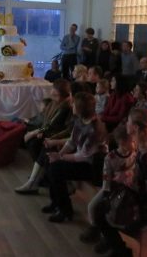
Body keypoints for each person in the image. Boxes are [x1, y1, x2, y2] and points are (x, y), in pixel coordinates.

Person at [94, 108, 147, 256]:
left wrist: (129, 182)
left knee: (102, 212)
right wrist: (128, 177)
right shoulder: (143, 148)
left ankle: (121, 251)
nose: (126, 123)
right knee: (105, 205)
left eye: (128, 121)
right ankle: (115, 245)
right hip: (145, 204)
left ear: (134, 127)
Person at [42, 92, 107, 223]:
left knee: (56, 169)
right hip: (83, 160)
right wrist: (59, 155)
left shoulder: (94, 129)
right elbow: (72, 142)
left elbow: (83, 156)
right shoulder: (80, 120)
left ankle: (65, 211)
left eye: (74, 104)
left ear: (80, 108)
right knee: (49, 161)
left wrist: (60, 157)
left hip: (93, 166)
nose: (72, 105)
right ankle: (56, 203)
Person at [79, 124, 137, 244]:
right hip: (112, 188)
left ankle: (109, 237)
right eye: (132, 141)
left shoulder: (134, 155)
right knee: (92, 207)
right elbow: (106, 177)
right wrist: (108, 190)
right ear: (122, 142)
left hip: (127, 190)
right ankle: (95, 229)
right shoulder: (110, 158)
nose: (134, 143)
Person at [15, 79, 73, 194]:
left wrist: (36, 132)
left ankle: (33, 182)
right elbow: (46, 120)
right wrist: (38, 130)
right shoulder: (57, 102)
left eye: (56, 95)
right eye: (53, 93)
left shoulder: (65, 106)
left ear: (63, 95)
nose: (53, 96)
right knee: (32, 142)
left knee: (42, 145)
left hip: (57, 136)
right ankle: (41, 176)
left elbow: (52, 125)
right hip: (51, 134)